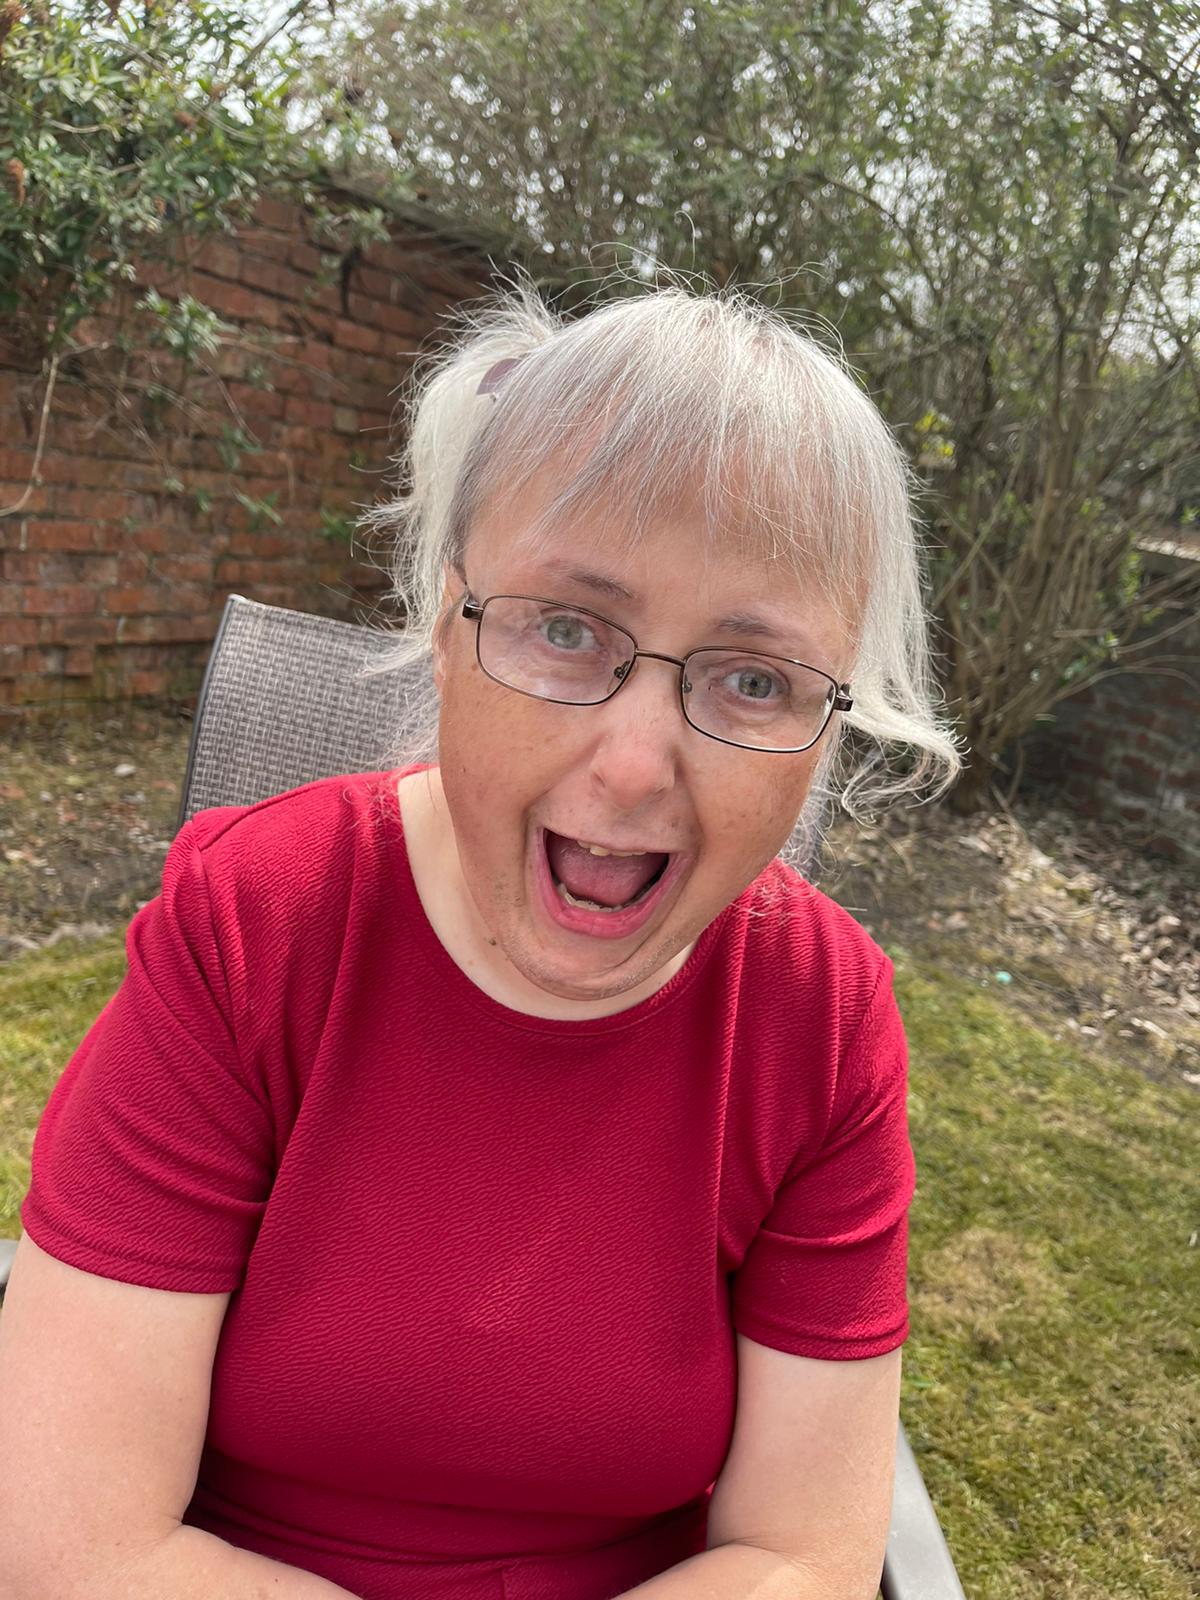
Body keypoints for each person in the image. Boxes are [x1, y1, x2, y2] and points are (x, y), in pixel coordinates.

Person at [0, 281, 963, 1600]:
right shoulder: (250, 931)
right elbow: (73, 1545)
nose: (634, 766)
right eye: (567, 630)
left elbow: (802, 1552)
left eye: (754, 679)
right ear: (449, 626)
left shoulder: (823, 1024)